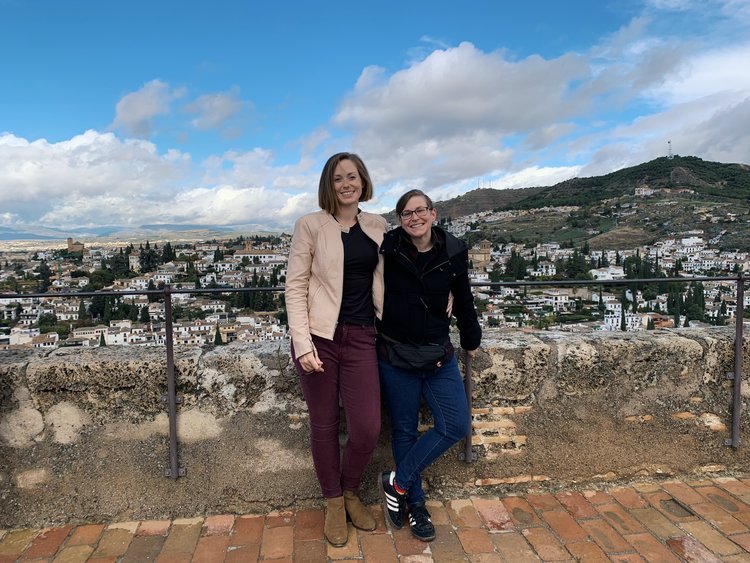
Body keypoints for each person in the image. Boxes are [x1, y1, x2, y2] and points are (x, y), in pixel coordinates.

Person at [285, 152, 387, 547]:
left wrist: (447, 292)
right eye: (338, 178)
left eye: (352, 176)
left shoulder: (378, 226)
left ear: (363, 181)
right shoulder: (310, 225)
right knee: (325, 425)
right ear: (329, 185)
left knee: (367, 427)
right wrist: (302, 343)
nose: (346, 184)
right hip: (320, 337)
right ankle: (332, 502)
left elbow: (404, 268)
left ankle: (350, 490)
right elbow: (295, 286)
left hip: (363, 336)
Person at [377, 189, 481, 542]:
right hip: (396, 354)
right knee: (404, 431)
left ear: (433, 214)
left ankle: (397, 482)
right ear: (399, 220)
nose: (415, 218)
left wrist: (471, 339)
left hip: (438, 354)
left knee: (456, 424)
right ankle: (416, 505)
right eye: (407, 213)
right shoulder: (387, 248)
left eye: (420, 210)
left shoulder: (453, 251)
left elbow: (463, 297)